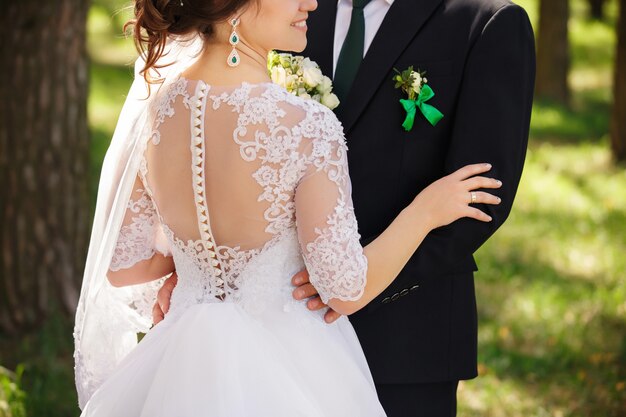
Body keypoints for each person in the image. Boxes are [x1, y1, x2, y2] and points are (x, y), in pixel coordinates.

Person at [74, 0, 504, 415]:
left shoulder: (155, 112)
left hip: (178, 358)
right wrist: (425, 211)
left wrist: (198, 262)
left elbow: (124, 266)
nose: (311, 4)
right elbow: (345, 289)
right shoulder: (306, 126)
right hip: (288, 361)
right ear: (235, 8)